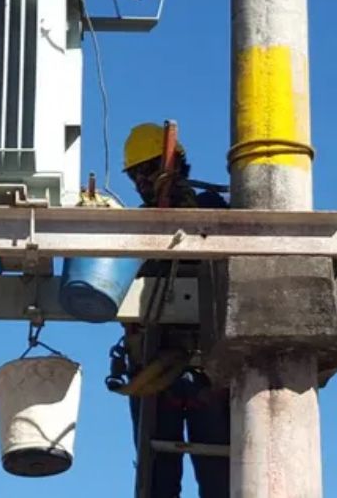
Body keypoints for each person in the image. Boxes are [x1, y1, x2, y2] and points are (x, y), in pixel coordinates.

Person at [114, 122, 230, 498]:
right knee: (156, 481)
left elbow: (224, 253)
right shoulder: (137, 227)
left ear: (174, 164)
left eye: (148, 170)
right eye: (135, 175)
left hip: (206, 366)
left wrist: (183, 206)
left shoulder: (210, 207)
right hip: (154, 364)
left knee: (221, 479)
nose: (141, 182)